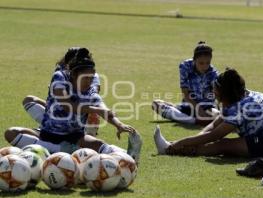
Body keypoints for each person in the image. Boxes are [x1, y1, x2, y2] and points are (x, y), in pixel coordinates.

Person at [5, 50, 142, 163]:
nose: (88, 81)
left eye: (91, 77)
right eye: (85, 78)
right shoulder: (59, 77)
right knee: (11, 132)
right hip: (48, 134)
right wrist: (95, 109)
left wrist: (119, 125)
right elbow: (67, 106)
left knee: (98, 144)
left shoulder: (90, 89)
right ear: (74, 74)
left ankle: (129, 157)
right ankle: (60, 149)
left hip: (74, 136)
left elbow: (102, 107)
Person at [154, 68, 263, 160]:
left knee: (223, 145)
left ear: (225, 94)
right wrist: (194, 139)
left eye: (216, 91)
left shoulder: (242, 108)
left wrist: (181, 143)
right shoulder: (240, 95)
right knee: (220, 144)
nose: (214, 94)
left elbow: (215, 135)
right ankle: (170, 146)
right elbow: (214, 124)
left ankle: (169, 150)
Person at [22, 47, 102, 136]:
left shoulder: (91, 76)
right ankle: (48, 128)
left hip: (79, 117)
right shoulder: (61, 72)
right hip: (63, 112)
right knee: (29, 100)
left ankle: (85, 135)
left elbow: (93, 97)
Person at [152, 41, 219, 126]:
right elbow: (185, 94)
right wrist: (198, 110)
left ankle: (185, 119)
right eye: (201, 63)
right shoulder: (185, 66)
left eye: (208, 63)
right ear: (194, 60)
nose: (205, 67)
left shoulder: (213, 73)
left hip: (207, 108)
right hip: (187, 106)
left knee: (219, 115)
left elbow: (218, 96)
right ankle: (195, 121)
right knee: (156, 104)